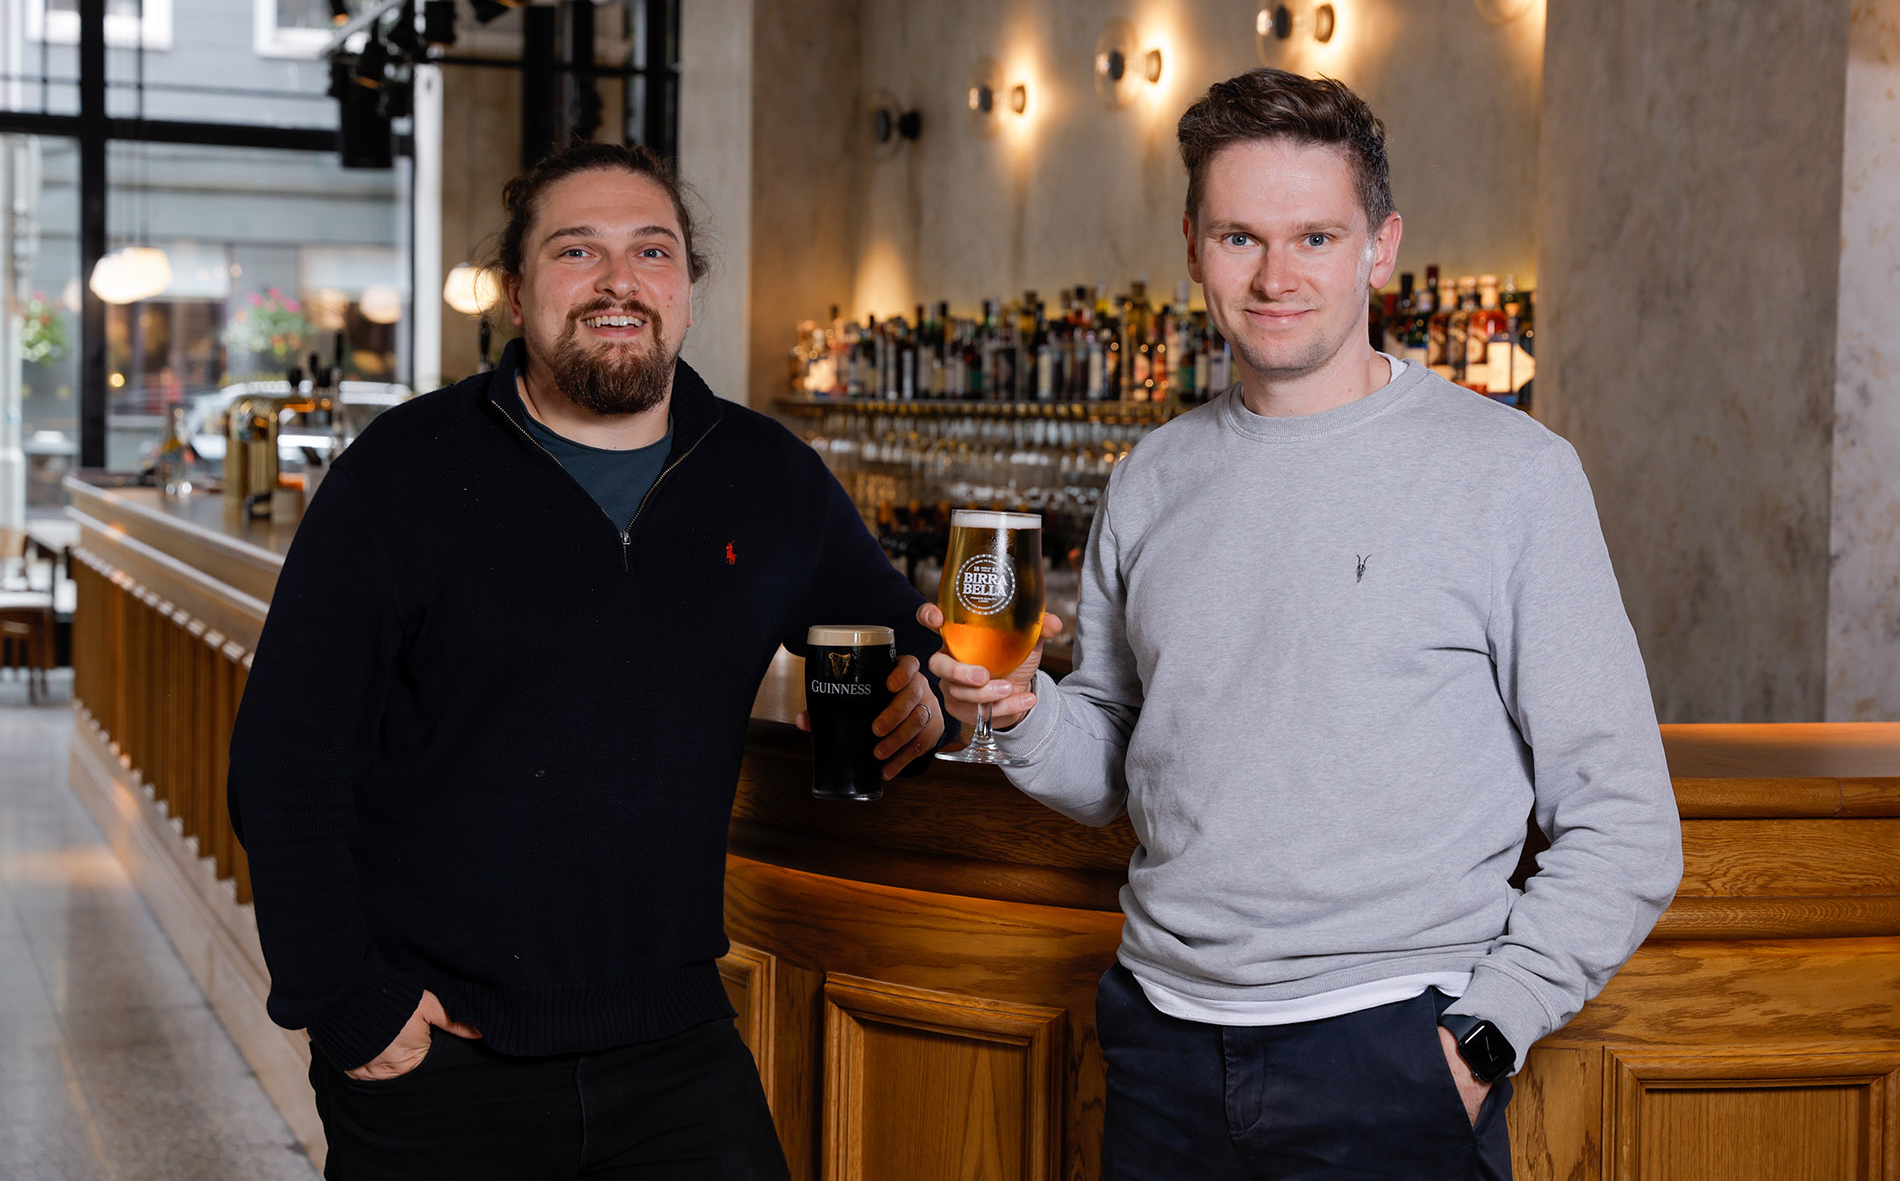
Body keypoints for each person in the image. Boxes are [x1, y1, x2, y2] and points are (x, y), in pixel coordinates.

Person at [925, 69, 1683, 1180]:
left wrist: (1479, 1038)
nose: (1275, 276)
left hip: (1389, 1054)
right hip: (1159, 1047)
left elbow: (1625, 824)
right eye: (1239, 237)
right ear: (1192, 248)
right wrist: (1020, 712)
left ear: (1380, 247)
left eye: (1315, 237)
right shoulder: (1151, 475)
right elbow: (1118, 771)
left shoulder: (1512, 476)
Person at [228, 140, 944, 1180]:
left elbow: (908, 635)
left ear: (686, 289)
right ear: (516, 295)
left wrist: (933, 698)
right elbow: (285, 760)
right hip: (443, 1054)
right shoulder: (403, 473)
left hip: (676, 1042)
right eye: (577, 251)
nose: (619, 281)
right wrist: (344, 1002)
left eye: (652, 251)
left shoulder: (764, 474)